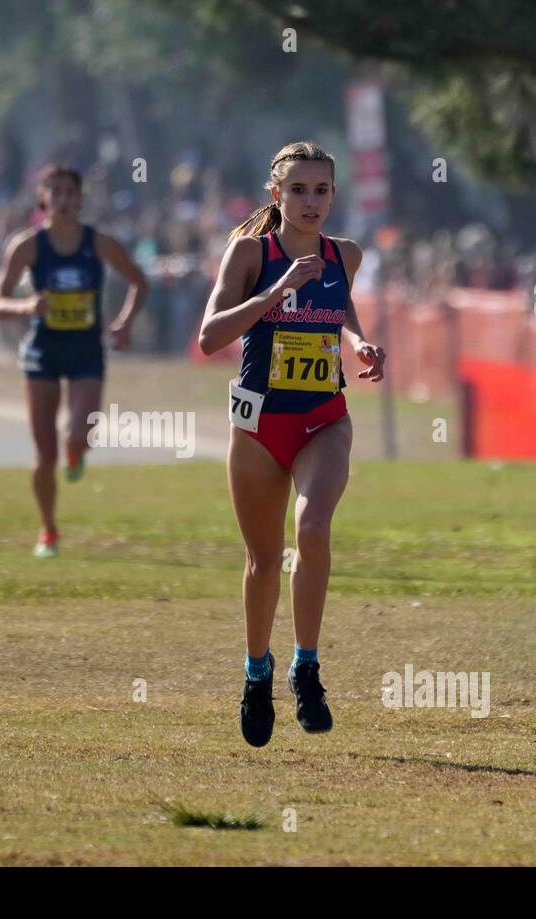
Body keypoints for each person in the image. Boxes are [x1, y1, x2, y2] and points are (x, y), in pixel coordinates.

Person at [197, 141, 386, 747]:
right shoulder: (251, 253)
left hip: (322, 419)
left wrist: (357, 343)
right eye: (299, 190)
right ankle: (258, 674)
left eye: (323, 190)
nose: (312, 202)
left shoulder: (344, 255)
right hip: (257, 426)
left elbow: (342, 307)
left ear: (335, 194)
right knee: (262, 560)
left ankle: (307, 667)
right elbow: (208, 336)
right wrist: (273, 293)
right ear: (274, 195)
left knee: (313, 530)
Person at [0, 164, 148, 557]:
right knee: (45, 453)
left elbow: (139, 281)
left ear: (80, 199)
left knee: (78, 435)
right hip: (42, 351)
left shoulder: (100, 244)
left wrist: (124, 324)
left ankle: (76, 452)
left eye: (69, 192)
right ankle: (48, 531)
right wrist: (28, 305)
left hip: (85, 352)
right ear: (43, 199)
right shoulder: (27, 246)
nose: (62, 199)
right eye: (54, 192)